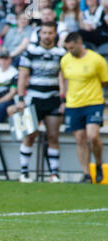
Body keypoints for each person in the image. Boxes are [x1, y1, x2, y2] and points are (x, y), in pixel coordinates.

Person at [7, 22, 66, 183]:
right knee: (30, 134)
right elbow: (23, 76)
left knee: (53, 135)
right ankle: (24, 172)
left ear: (55, 34)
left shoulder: (61, 52)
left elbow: (63, 77)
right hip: (33, 97)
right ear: (40, 34)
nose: (47, 35)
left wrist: (63, 99)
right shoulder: (30, 51)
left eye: (50, 33)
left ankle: (54, 173)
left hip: (53, 97)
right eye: (44, 32)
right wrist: (20, 98)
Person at [61, 32, 108, 183]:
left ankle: (99, 164)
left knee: (93, 136)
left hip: (93, 102)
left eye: (72, 48)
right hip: (73, 103)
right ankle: (86, 173)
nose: (70, 51)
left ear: (80, 44)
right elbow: (63, 76)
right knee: (80, 139)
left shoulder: (96, 59)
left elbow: (105, 81)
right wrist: (63, 93)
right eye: (67, 48)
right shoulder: (65, 59)